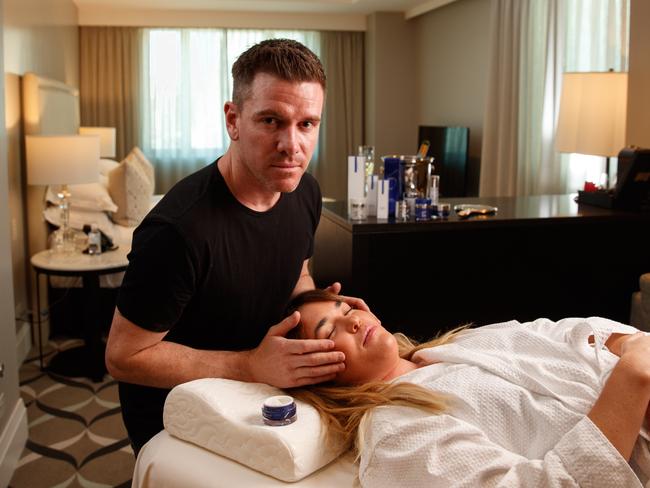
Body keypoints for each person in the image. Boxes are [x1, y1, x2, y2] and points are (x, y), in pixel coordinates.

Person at [104, 39, 368, 455]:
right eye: (271, 121)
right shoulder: (177, 230)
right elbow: (124, 356)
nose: (292, 146)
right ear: (233, 119)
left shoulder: (304, 192)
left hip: (263, 392)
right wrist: (247, 365)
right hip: (179, 415)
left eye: (307, 124)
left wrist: (319, 308)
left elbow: (296, 271)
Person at [286, 289, 650, 487]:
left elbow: (567, 330)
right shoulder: (396, 433)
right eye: (328, 330)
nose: (350, 321)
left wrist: (631, 347)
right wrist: (632, 380)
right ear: (320, 374)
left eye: (344, 308)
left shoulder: (461, 344)